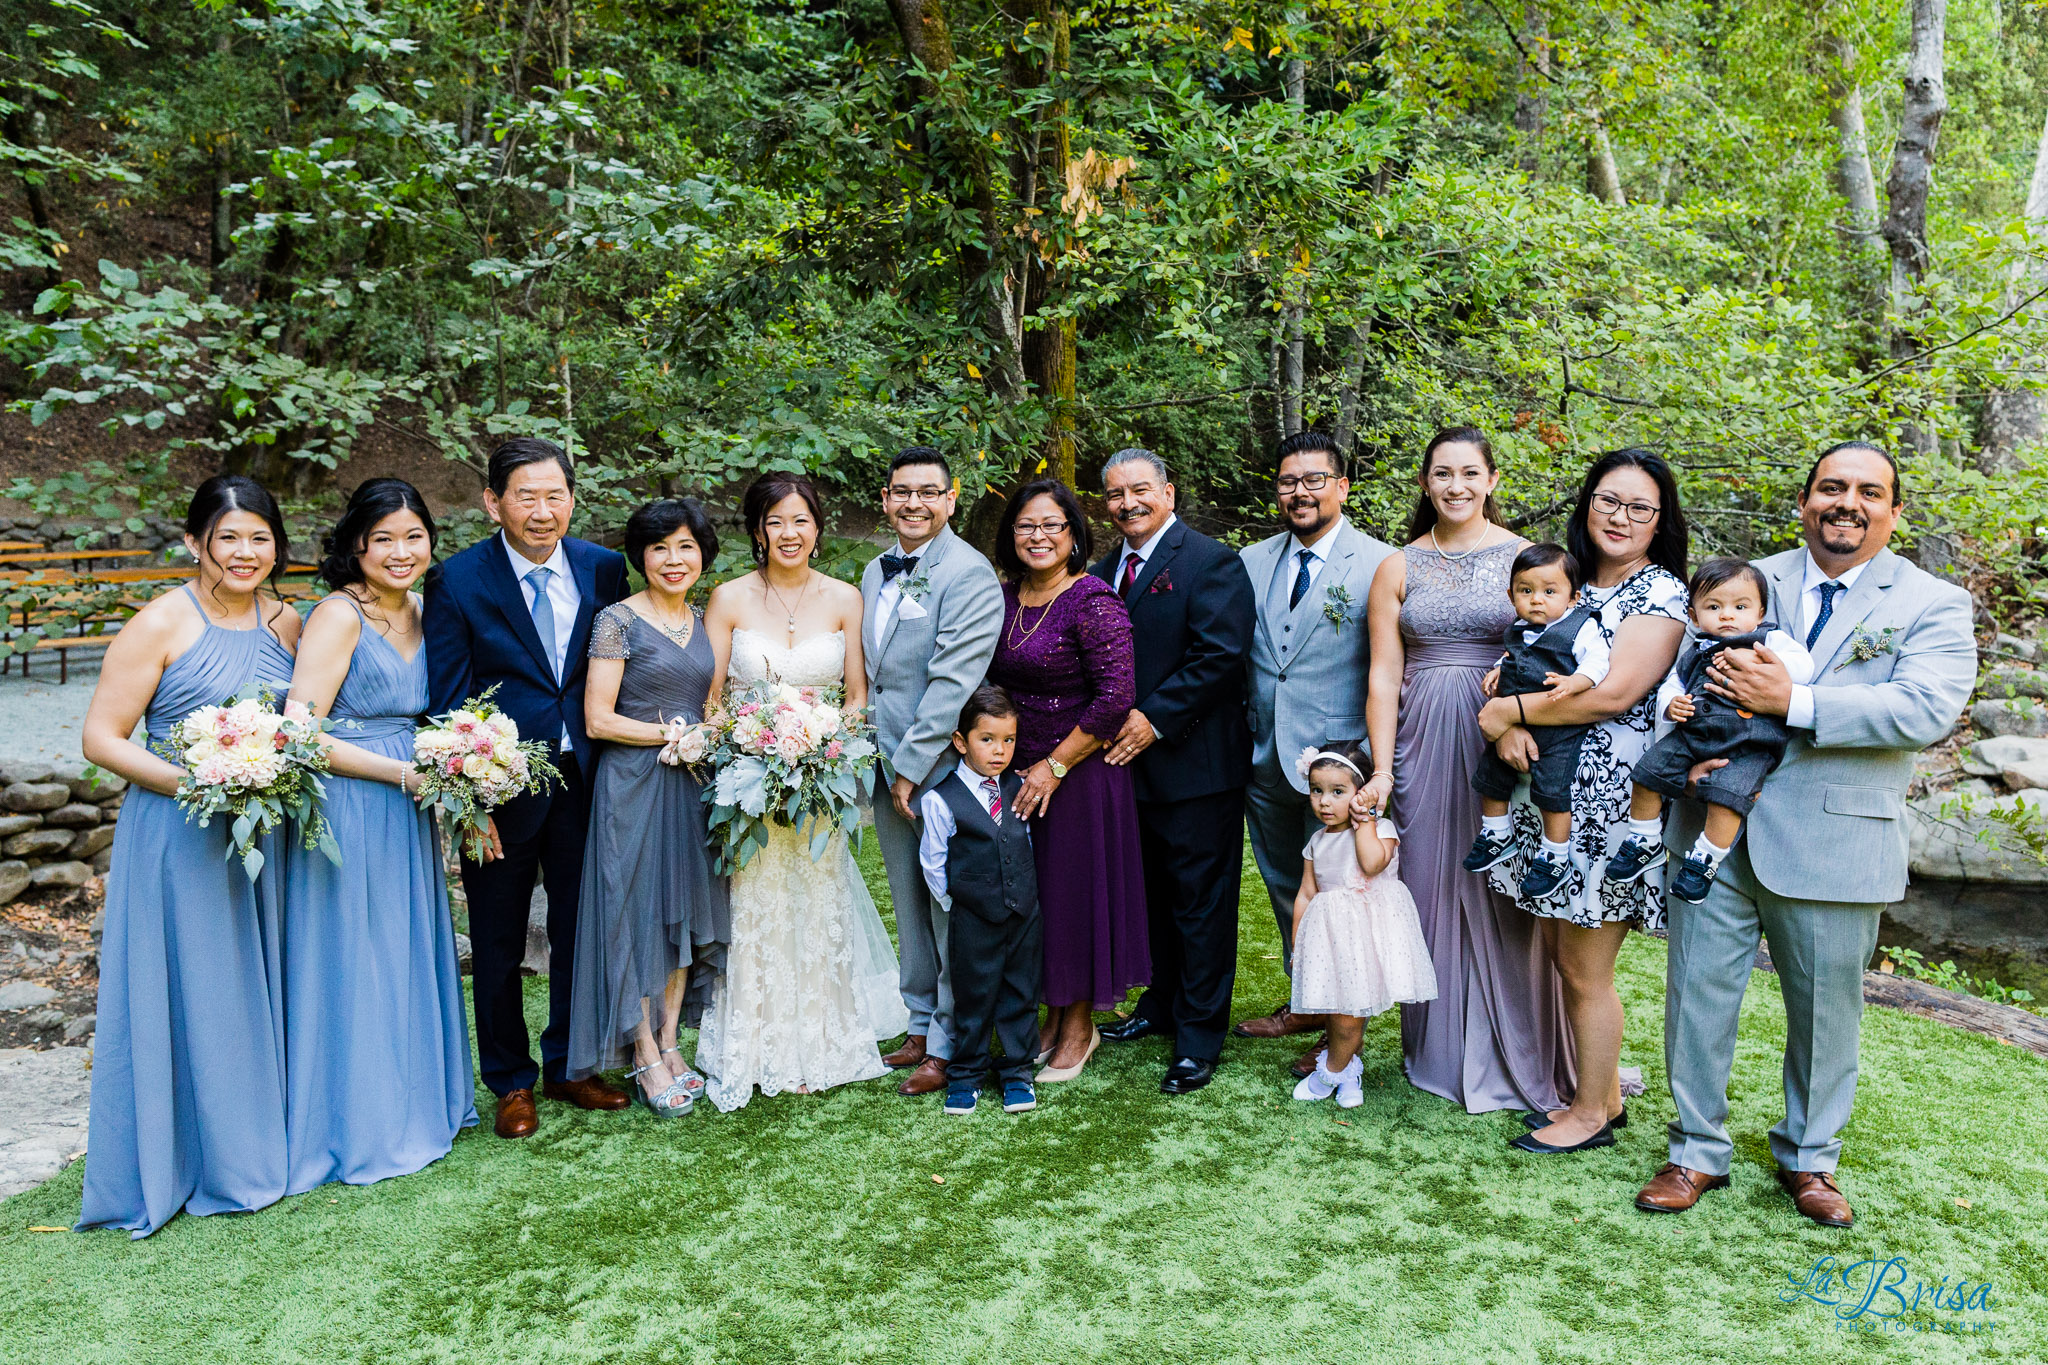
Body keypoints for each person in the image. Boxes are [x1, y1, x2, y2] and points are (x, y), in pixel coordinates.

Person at [1637, 442, 1974, 1228]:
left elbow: (1925, 708)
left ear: (1894, 510)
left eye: (1868, 492)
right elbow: (1683, 672)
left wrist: (1795, 700)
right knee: (1695, 995)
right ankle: (1695, 1149)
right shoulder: (1745, 579)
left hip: (1836, 837)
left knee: (1826, 1013)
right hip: (1712, 828)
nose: (1846, 502)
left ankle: (1809, 1156)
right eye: (1831, 487)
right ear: (1804, 500)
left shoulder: (1932, 601)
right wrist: (1680, 744)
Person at [77, 475, 301, 1237]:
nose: (245, 552)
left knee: (257, 982)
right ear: (193, 542)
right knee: (200, 988)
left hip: (264, 830)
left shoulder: (286, 620)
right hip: (181, 830)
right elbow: (101, 737)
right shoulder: (160, 622)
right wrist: (206, 782)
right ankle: (206, 1160)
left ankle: (267, 1141)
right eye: (228, 537)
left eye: (260, 537)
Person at [1473, 449, 1690, 1152]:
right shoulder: (1566, 582)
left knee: (1584, 966)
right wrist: (1507, 717)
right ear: (1587, 503)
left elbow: (1614, 694)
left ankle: (1592, 1113)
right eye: (1608, 500)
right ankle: (1596, 1094)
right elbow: (1530, 665)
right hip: (1551, 794)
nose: (1620, 517)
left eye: (1639, 507)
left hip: (1609, 806)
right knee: (1562, 953)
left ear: (1660, 521)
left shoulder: (1660, 594)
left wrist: (1508, 713)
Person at [1358, 427, 1573, 1116]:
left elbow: (1564, 644)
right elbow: (1383, 673)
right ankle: (1439, 1050)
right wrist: (1382, 768)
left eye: (1470, 473)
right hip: (1421, 735)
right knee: (1428, 884)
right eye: (1443, 474)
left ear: (1492, 479)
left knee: (1504, 885)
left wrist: (1522, 708)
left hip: (1503, 732)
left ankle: (1524, 1047)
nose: (1456, 486)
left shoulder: (1525, 556)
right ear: (1425, 483)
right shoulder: (1397, 566)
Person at [423, 438, 633, 1139]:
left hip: (589, 778)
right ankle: (510, 1080)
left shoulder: (603, 568)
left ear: (572, 499)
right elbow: (448, 699)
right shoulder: (457, 579)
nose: (543, 512)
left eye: (555, 496)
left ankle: (570, 1064)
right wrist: (469, 799)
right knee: (497, 938)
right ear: (494, 502)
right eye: (526, 497)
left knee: (581, 929)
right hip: (501, 785)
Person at [282, 479, 477, 1190]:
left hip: (409, 802)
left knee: (402, 949)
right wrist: (402, 774)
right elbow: (300, 732)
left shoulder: (425, 610)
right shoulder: (338, 614)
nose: (401, 551)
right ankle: (357, 1122)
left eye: (414, 536)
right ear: (356, 545)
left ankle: (414, 1102)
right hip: (353, 801)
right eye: (384, 538)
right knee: (356, 955)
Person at [694, 471, 909, 1110]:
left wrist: (824, 756)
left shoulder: (845, 598)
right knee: (754, 903)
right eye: (775, 522)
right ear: (758, 531)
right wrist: (748, 753)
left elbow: (856, 696)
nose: (789, 533)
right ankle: (756, 1040)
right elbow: (711, 699)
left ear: (817, 528)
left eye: (801, 521)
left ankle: (822, 1039)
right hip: (747, 781)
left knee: (817, 900)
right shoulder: (728, 598)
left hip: (821, 779)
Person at [1092, 448, 1256, 1094]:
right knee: (1152, 895)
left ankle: (1198, 1037)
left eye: (1139, 489)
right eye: (1115, 494)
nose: (1127, 502)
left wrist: (1153, 719)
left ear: (1168, 492)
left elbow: (1219, 654)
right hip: (1124, 768)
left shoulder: (1211, 561)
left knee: (1200, 905)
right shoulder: (1104, 569)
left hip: (1195, 766)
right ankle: (1159, 1005)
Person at [565, 498, 730, 1117]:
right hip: (633, 785)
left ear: (703, 554)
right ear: (640, 556)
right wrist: (672, 735)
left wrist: (717, 733)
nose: (673, 559)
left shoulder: (704, 620)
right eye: (659, 548)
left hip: (694, 785)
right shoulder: (617, 621)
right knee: (631, 914)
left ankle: (669, 1041)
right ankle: (641, 1051)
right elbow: (598, 718)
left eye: (686, 546)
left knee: (679, 911)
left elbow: (711, 704)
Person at [1235, 431, 1395, 1061]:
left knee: (1343, 891)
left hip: (1344, 763)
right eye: (1287, 481)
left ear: (1342, 486)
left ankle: (1343, 1027)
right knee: (1286, 884)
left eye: (1314, 479)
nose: (1299, 492)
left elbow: (1390, 667)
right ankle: (1306, 997)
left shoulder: (1381, 562)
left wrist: (1378, 765)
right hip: (1265, 755)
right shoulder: (1249, 560)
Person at [985, 478, 1148, 1086]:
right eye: (1026, 525)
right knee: (1037, 902)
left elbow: (1115, 698)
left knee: (1074, 900)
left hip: (1078, 775)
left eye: (1052, 525)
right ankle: (1049, 1020)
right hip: (1014, 769)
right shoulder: (1003, 598)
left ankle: (1079, 1027)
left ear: (1074, 535)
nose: (1038, 536)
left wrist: (1054, 766)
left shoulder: (1093, 599)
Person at [859, 447, 1003, 1099]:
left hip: (937, 770)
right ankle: (918, 1023)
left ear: (951, 498)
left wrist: (911, 769)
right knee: (908, 901)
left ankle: (950, 1042)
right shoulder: (873, 570)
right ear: (886, 499)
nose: (912, 503)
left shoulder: (968, 573)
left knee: (948, 905)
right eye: (901, 491)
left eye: (927, 492)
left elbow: (953, 681)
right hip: (883, 765)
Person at [1603, 557, 1815, 904]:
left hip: (1749, 741)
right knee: (1647, 773)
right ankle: (1643, 838)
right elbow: (1674, 683)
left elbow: (1804, 666)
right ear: (1694, 615)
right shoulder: (1696, 649)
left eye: (1740, 607)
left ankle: (1706, 859)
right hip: (1693, 736)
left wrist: (1772, 666)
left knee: (1727, 797)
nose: (1727, 615)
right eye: (1714, 607)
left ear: (1760, 613)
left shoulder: (1768, 640)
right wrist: (1671, 705)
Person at [1287, 744, 1437, 1109]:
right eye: (1317, 790)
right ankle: (1349, 1071)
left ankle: (1329, 1073)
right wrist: (1297, 945)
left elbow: (1371, 864)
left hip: (1369, 939)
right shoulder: (1316, 842)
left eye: (1338, 792)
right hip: (1331, 940)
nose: (1325, 801)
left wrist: (1366, 819)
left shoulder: (1379, 828)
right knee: (1337, 1012)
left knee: (1349, 1019)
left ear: (1361, 793)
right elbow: (1306, 894)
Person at [918, 685, 1043, 1117]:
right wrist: (957, 904)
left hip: (1023, 914)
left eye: (1008, 740)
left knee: (1020, 991)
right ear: (961, 741)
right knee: (972, 995)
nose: (999, 750)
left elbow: (1024, 842)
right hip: (972, 917)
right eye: (987, 739)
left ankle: (1017, 1072)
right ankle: (966, 1075)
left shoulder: (1020, 787)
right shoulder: (940, 799)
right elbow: (933, 862)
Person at [1464, 543, 1612, 899]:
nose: (1536, 600)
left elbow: (1598, 661)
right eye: (1526, 591)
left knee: (1552, 790)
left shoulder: (1580, 627)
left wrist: (1576, 682)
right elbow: (1515, 657)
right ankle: (1496, 833)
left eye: (1549, 592)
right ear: (1511, 595)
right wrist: (1498, 670)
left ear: (1573, 598)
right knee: (1490, 776)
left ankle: (1555, 856)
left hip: (1560, 728)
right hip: (1516, 725)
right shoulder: (1519, 629)